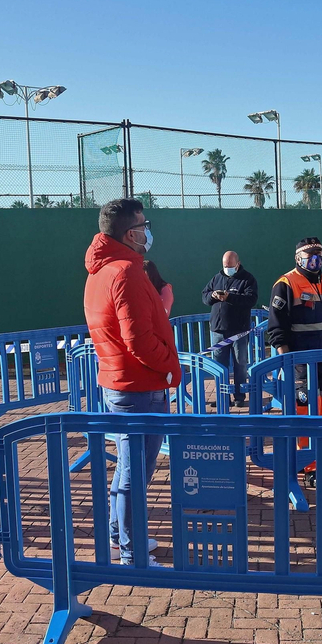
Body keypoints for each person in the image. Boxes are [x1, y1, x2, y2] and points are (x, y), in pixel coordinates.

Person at [84, 198, 181, 565]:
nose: (148, 231)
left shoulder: (102, 270)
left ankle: (119, 536)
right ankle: (132, 551)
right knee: (135, 474)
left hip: (123, 382)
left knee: (128, 469)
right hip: (139, 387)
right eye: (144, 225)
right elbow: (137, 339)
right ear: (130, 232)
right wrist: (170, 366)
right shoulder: (124, 271)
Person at [266, 236, 322, 485]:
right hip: (300, 362)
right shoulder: (286, 283)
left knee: (319, 410)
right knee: (303, 411)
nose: (316, 260)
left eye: (319, 255)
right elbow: (276, 328)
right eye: (310, 256)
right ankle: (308, 465)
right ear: (298, 258)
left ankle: (316, 456)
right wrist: (284, 360)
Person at [200, 251, 259, 408]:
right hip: (218, 330)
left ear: (237, 264)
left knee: (240, 364)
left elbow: (251, 299)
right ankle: (222, 397)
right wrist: (213, 295)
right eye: (225, 266)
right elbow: (204, 297)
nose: (227, 269)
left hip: (239, 331)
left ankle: (239, 396)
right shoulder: (217, 278)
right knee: (219, 366)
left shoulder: (248, 279)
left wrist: (229, 297)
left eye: (230, 266)